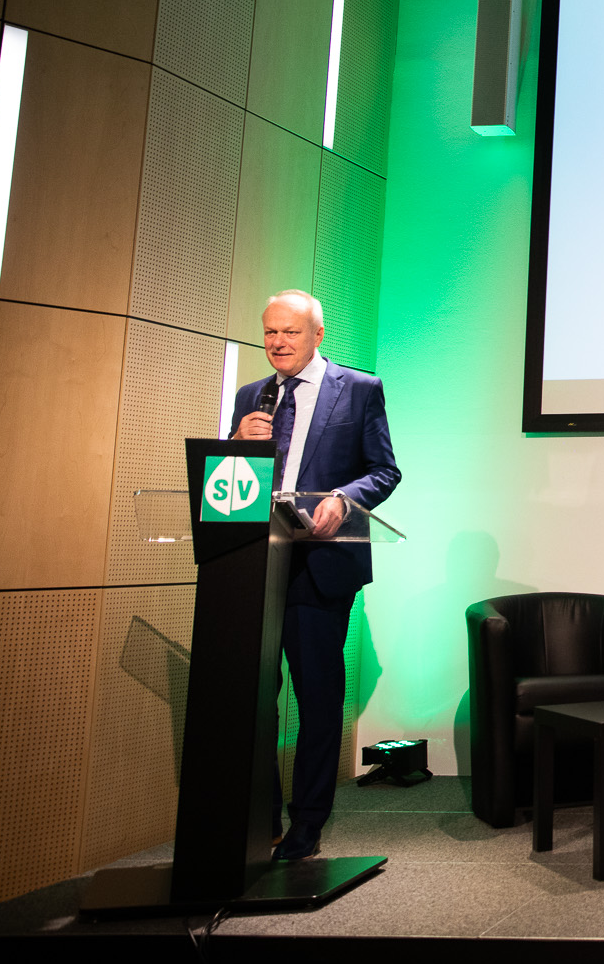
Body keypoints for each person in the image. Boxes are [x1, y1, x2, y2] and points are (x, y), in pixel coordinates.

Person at [230, 288, 401, 861]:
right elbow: (229, 479)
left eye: (291, 332)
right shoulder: (252, 396)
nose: (278, 342)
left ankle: (307, 822)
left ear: (318, 334)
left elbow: (384, 470)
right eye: (270, 331)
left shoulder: (359, 390)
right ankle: (262, 818)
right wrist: (235, 444)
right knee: (254, 700)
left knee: (317, 700)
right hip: (256, 561)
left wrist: (344, 499)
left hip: (321, 565)